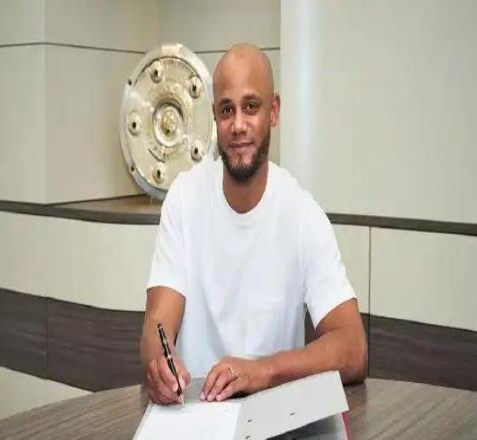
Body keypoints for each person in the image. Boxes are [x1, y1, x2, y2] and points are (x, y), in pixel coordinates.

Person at [140, 43, 367, 405]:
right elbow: (158, 323)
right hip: (194, 411)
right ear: (215, 117)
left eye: (251, 107)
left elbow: (353, 348)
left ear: (273, 112)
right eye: (226, 110)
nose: (238, 125)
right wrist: (159, 366)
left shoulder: (303, 215)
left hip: (272, 416)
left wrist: (263, 371)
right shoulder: (184, 199)